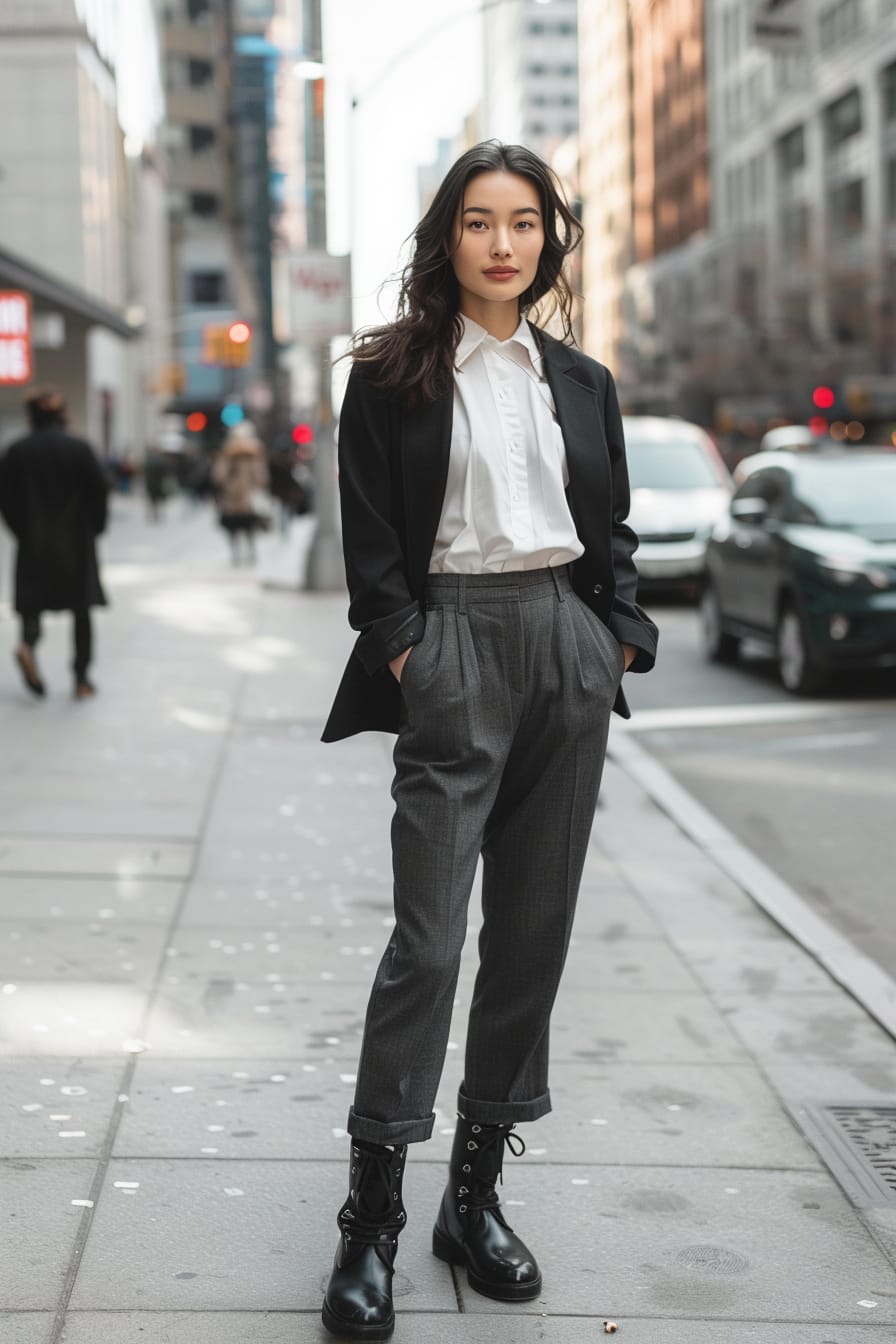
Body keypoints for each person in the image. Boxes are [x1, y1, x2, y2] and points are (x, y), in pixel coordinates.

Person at [319, 141, 659, 1340]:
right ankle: (371, 1220)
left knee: (530, 936)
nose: (502, 243)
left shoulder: (581, 379)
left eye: (523, 223)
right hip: (451, 642)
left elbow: (609, 526)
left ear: (548, 241)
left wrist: (611, 638)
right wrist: (413, 651)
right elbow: (370, 547)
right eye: (477, 222)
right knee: (426, 939)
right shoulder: (390, 375)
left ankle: (474, 1194)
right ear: (445, 238)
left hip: (562, 643)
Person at [0, 387, 108, 700]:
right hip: (75, 540)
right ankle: (81, 677)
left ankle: (28, 646)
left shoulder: (17, 451)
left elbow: (5, 498)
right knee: (81, 610)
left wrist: (21, 529)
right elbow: (98, 492)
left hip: (33, 539)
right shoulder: (79, 448)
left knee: (31, 606)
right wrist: (95, 528)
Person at [211, 422, 270, 564]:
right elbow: (261, 478)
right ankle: (244, 554)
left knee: (240, 527)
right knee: (242, 527)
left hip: (239, 498)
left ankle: (242, 554)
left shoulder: (250, 456)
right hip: (239, 498)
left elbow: (218, 477)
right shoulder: (230, 456)